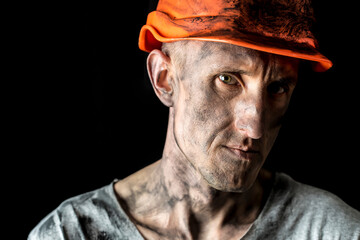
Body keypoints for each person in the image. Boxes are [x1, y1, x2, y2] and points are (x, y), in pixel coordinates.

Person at [29, 0, 360, 239]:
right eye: (228, 79)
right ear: (164, 78)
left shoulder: (333, 231)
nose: (255, 127)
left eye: (277, 88)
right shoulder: (71, 233)